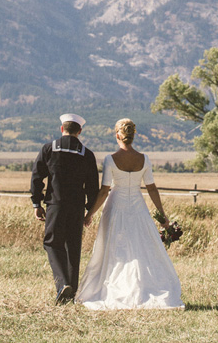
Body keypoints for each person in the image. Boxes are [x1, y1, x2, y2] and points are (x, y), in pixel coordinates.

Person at [76, 118, 184, 310]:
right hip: (138, 208)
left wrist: (89, 213)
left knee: (114, 249)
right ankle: (143, 286)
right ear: (133, 136)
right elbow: (151, 188)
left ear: (118, 135)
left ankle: (112, 289)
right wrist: (162, 216)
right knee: (141, 247)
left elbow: (104, 191)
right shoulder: (144, 159)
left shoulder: (110, 159)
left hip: (115, 207)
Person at [30, 112, 99, 305]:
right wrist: (89, 210)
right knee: (73, 247)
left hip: (55, 205)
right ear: (80, 131)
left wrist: (37, 203)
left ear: (62, 129)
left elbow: (37, 177)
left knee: (52, 243)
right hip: (76, 208)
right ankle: (71, 292)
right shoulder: (87, 154)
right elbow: (93, 186)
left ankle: (62, 284)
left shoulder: (48, 149)